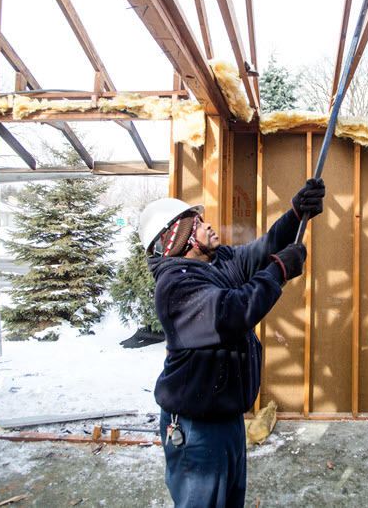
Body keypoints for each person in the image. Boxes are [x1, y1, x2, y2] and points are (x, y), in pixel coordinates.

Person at [139, 178, 326, 508]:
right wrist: (279, 271)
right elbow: (230, 313)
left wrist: (296, 214)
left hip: (226, 419)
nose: (207, 224)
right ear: (180, 239)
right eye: (196, 223)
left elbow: (261, 250)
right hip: (196, 429)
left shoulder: (216, 262)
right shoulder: (175, 286)